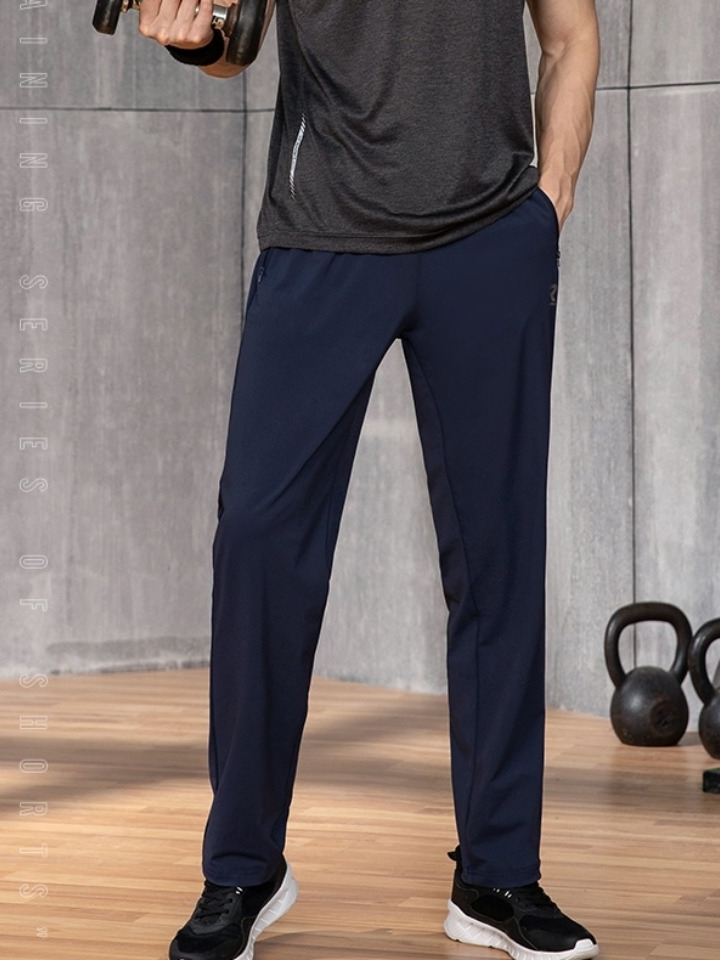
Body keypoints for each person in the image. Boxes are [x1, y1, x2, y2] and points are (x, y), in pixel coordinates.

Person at [139, 1, 601, 958]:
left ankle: (497, 872)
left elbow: (571, 33)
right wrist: (196, 37)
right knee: (258, 541)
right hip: (323, 234)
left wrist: (546, 204)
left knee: (500, 560)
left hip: (490, 242)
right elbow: (231, 46)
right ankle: (243, 865)